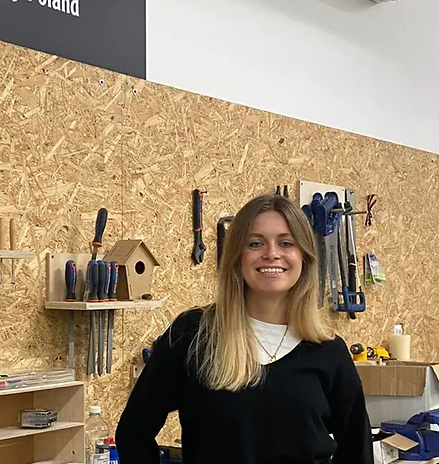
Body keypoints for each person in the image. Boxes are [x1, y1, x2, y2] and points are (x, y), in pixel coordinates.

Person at [115, 193, 373, 464]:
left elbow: (357, 450)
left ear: (304, 257)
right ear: (237, 255)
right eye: (255, 243)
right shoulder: (193, 334)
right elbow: (134, 431)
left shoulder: (329, 351)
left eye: (286, 243)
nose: (271, 254)